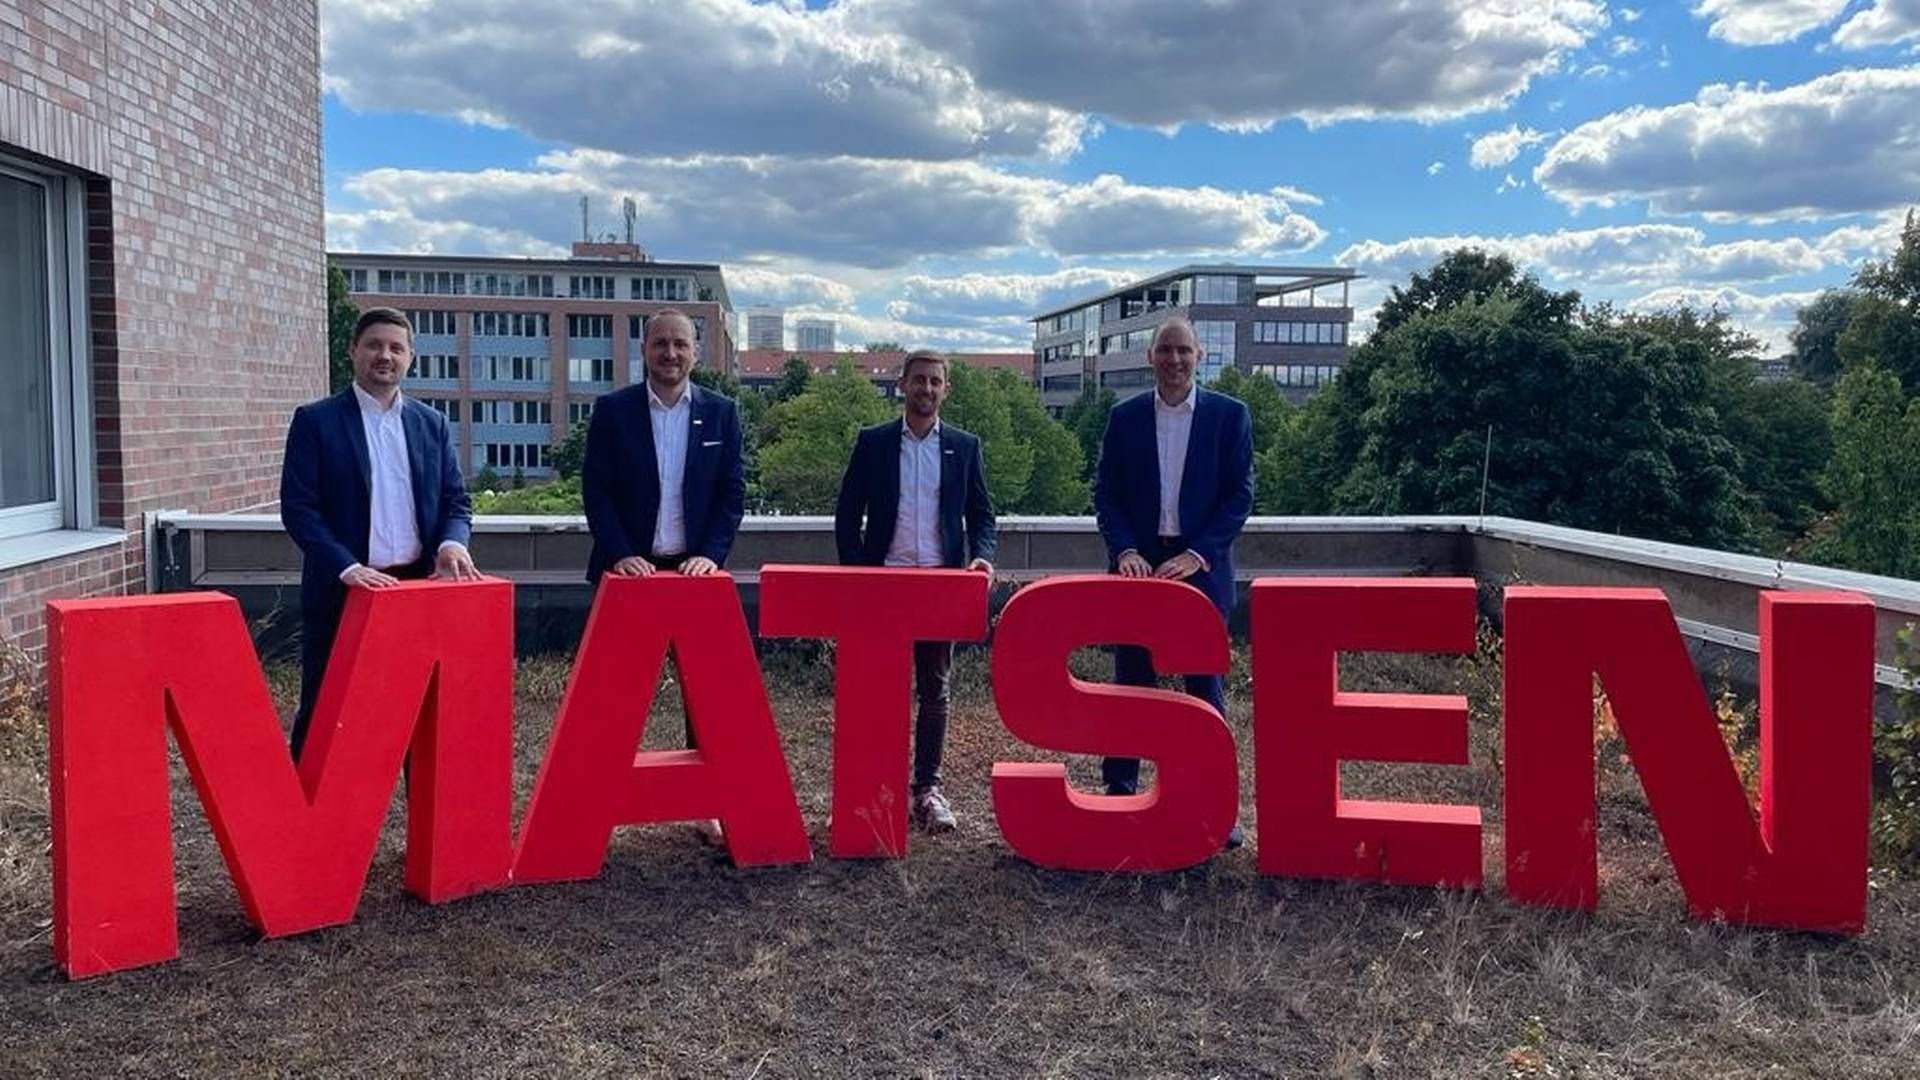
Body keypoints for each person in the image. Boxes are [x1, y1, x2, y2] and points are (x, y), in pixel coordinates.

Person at [280, 306, 479, 761]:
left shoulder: (432, 424)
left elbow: (456, 501)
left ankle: (423, 819)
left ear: (411, 356)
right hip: (343, 590)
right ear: (353, 351)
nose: (384, 355)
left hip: (416, 589)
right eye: (373, 345)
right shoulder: (316, 421)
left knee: (420, 715)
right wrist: (347, 568)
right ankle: (307, 821)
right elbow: (299, 509)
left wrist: (452, 542)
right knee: (326, 713)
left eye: (395, 347)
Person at [581, 308, 746, 843]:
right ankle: (591, 799)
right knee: (611, 692)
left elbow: (731, 494)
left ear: (695, 352)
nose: (670, 354)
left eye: (680, 344)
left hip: (695, 573)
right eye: (660, 345)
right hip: (631, 574)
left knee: (705, 696)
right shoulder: (613, 412)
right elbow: (597, 491)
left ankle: (710, 800)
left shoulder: (722, 414)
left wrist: (712, 555)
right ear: (645, 350)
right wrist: (621, 552)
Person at [1091, 316, 1253, 848]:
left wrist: (1197, 555)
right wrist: (1127, 551)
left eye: (1184, 350)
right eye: (1165, 350)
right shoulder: (1125, 417)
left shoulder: (1231, 417)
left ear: (1200, 356)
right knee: (1131, 683)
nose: (1175, 360)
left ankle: (1213, 808)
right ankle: (1120, 794)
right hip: (1139, 565)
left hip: (1199, 565)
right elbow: (1107, 496)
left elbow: (1239, 498)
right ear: (1150, 357)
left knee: (1204, 693)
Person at [834, 350, 997, 832]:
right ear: (901, 386)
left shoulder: (964, 447)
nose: (926, 389)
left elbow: (982, 515)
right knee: (876, 690)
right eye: (919, 380)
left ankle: (927, 790)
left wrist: (982, 554)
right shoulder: (874, 443)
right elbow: (848, 514)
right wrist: (857, 574)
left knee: (935, 689)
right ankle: (870, 790)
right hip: (883, 584)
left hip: (939, 586)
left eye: (935, 381)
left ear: (946, 389)